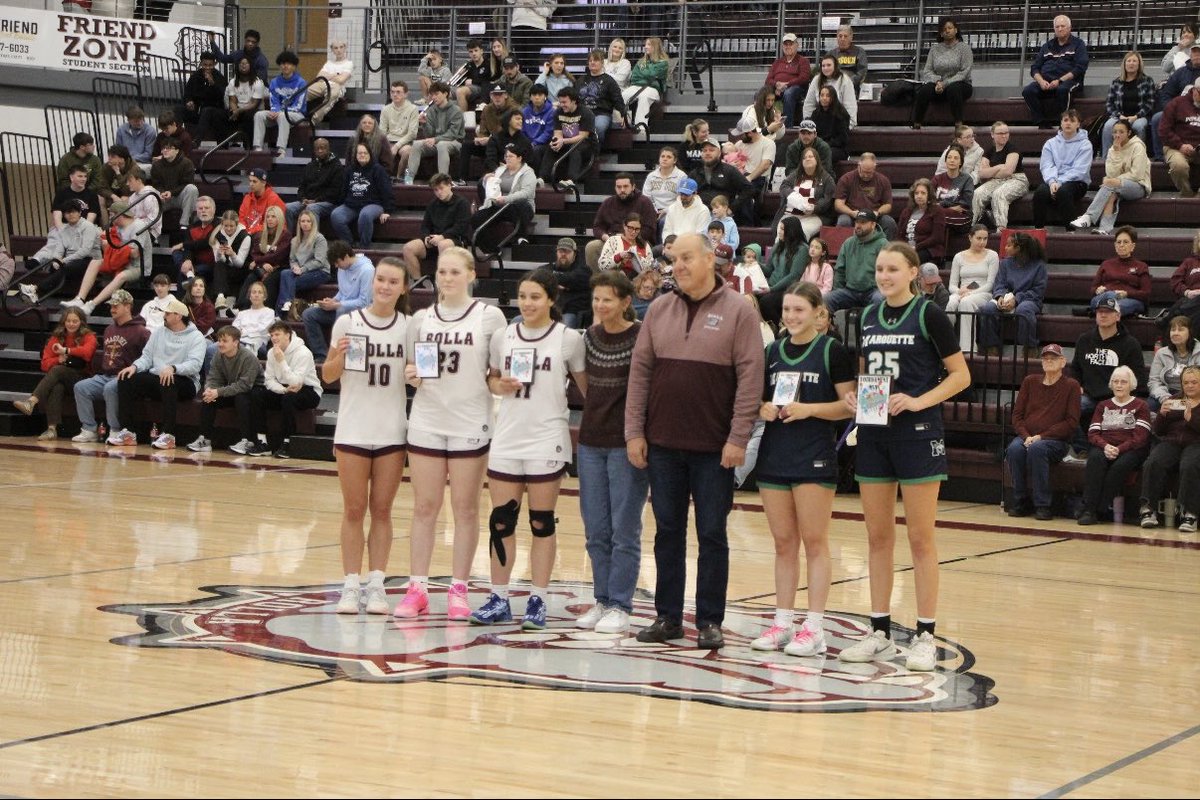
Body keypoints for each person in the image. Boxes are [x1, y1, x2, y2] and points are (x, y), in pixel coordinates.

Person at [626, 233, 764, 649]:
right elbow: (640, 374)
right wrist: (634, 431)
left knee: (712, 534)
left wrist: (739, 437)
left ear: (710, 260)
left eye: (686, 258)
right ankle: (668, 617)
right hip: (663, 444)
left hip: (715, 448)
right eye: (674, 258)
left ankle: (709, 620)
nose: (678, 265)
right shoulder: (659, 309)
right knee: (667, 532)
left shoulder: (740, 312)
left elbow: (750, 381)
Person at [839, 241, 971, 671]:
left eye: (892, 269)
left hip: (917, 434)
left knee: (920, 538)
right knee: (877, 538)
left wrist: (917, 401)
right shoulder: (869, 315)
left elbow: (961, 376)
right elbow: (868, 370)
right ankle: (879, 630)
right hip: (876, 432)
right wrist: (860, 396)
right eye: (879, 269)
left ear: (913, 272)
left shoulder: (929, 314)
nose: (883, 276)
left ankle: (925, 635)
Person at [470, 269, 587, 629]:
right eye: (523, 296)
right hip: (507, 437)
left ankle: (538, 598)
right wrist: (496, 384)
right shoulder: (503, 335)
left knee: (541, 522)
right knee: (501, 521)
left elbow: (588, 391)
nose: (528, 303)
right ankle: (499, 598)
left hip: (547, 438)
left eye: (535, 296)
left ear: (551, 299)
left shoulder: (568, 339)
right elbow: (490, 377)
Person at [396, 247, 507, 620]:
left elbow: (495, 374)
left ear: (471, 274)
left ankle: (459, 589)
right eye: (442, 272)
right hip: (427, 419)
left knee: (465, 510)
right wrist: (410, 376)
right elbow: (412, 369)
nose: (447, 278)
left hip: (470, 422)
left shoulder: (490, 317)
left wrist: (501, 384)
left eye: (454, 272)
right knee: (425, 508)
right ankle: (417, 588)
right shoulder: (421, 319)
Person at [749, 281, 855, 654]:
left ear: (817, 313)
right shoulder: (772, 352)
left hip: (814, 455)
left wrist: (810, 409)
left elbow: (849, 406)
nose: (792, 316)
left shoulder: (833, 352)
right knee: (782, 543)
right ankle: (781, 622)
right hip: (775, 453)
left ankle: (814, 626)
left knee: (814, 542)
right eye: (787, 310)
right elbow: (760, 399)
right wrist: (762, 408)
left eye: (799, 310)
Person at [322, 256, 412, 615]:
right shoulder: (347, 322)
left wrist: (416, 374)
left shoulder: (408, 326)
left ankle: (377, 584)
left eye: (393, 282)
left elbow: (418, 371)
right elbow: (328, 376)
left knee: (383, 510)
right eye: (381, 280)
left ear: (403, 288)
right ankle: (349, 585)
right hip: (353, 427)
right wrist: (340, 357)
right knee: (354, 509)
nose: (386, 287)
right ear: (372, 283)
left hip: (392, 428)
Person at [565, 270, 649, 634]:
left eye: (608, 299)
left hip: (627, 444)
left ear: (626, 302)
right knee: (596, 529)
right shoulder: (589, 337)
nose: (600, 306)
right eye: (596, 299)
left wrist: (638, 434)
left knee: (624, 530)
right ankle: (601, 600)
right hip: (590, 443)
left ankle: (621, 604)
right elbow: (586, 387)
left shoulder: (642, 336)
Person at [110, 297, 206, 450]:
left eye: (167, 314)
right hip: (159, 377)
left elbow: (194, 365)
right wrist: (134, 367)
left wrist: (174, 368)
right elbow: (147, 357)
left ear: (178, 316)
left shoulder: (196, 337)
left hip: (185, 382)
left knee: (169, 380)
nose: (164, 316)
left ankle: (169, 435)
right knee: (126, 379)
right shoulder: (159, 332)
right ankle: (128, 432)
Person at [1005, 343, 1081, 520]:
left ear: (1063, 362)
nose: (1048, 361)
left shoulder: (1071, 386)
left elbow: (1071, 422)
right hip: (1027, 437)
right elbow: (1017, 415)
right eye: (1045, 358)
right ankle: (1021, 500)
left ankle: (1043, 504)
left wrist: (1041, 437)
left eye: (1053, 358)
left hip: (1056, 441)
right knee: (1014, 449)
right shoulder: (1030, 381)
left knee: (1037, 449)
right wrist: (1026, 436)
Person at [70, 290, 149, 443]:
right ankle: (89, 429)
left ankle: (115, 430)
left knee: (110, 389)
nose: (112, 309)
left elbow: (148, 358)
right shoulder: (109, 329)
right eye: (111, 306)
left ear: (127, 307)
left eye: (116, 306)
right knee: (81, 387)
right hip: (105, 375)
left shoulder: (142, 332)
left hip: (126, 378)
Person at [1072, 296, 1150, 450]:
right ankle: (1081, 448)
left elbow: (1138, 378)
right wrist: (1077, 385)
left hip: (1117, 397)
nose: (1103, 315)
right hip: (1089, 395)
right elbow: (1075, 368)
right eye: (1100, 311)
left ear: (1118, 316)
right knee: (1071, 404)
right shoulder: (1084, 340)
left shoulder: (1130, 344)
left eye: (1108, 312)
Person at [1078, 366, 1151, 525]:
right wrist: (1105, 446)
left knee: (1120, 466)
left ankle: (1099, 509)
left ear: (1131, 385)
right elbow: (1093, 433)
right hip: (1105, 446)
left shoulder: (1141, 406)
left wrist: (1119, 449)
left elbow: (1140, 438)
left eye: (1123, 382)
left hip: (1131, 449)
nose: (1119, 385)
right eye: (1116, 381)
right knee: (1095, 459)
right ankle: (1089, 509)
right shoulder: (1102, 405)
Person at [12, 306, 97, 441]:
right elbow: (44, 364)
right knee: (57, 386)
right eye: (68, 321)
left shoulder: (89, 336)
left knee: (57, 370)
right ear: (64, 322)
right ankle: (52, 429)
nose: (71, 324)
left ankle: (32, 401)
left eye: (75, 321)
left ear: (81, 322)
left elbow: (87, 353)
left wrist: (66, 351)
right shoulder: (57, 337)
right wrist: (58, 359)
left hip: (82, 379)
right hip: (62, 377)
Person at [60, 200, 152, 316]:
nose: (109, 218)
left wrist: (110, 246)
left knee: (121, 276)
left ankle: (91, 305)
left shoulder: (138, 226)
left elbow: (134, 254)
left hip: (137, 266)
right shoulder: (117, 227)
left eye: (111, 215)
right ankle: (80, 299)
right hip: (119, 261)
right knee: (95, 261)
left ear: (119, 214)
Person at [1138, 366, 1200, 532]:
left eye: (1194, 382)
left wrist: (1191, 419)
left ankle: (1190, 513)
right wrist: (1162, 415)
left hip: (1196, 443)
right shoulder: (1174, 400)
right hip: (1172, 442)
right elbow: (1158, 430)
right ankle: (1148, 509)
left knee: (1189, 465)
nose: (1190, 385)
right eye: (1186, 382)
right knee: (1153, 462)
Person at [247, 321, 322, 460]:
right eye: (272, 335)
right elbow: (268, 381)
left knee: (290, 398)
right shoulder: (271, 352)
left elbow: (296, 382)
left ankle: (287, 442)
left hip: (308, 390)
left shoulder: (303, 353)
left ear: (288, 335)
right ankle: (262, 442)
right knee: (256, 394)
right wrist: (282, 390)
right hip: (284, 389)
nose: (274, 338)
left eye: (277, 334)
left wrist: (281, 361)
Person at [186, 325, 262, 455]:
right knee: (209, 399)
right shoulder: (218, 355)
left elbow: (244, 385)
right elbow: (213, 377)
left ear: (236, 342)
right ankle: (204, 439)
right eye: (219, 340)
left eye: (224, 341)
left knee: (241, 398)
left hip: (254, 392)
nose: (220, 344)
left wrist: (218, 392)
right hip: (232, 388)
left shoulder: (248, 357)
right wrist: (209, 390)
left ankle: (247, 441)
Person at [1070, 120, 1150, 235]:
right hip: (1117, 186)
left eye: (1121, 132)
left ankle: (1089, 217)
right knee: (1111, 194)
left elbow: (1137, 174)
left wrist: (1117, 180)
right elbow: (1111, 173)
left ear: (1129, 133)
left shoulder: (1138, 146)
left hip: (1139, 186)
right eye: (1115, 132)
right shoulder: (1113, 149)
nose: (1117, 135)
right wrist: (1117, 153)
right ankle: (1104, 229)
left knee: (1110, 184)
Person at [976, 232, 1047, 357]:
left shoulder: (1038, 265)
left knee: (1024, 309)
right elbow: (1000, 284)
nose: (1005, 248)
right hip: (1006, 298)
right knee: (988, 309)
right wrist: (1000, 296)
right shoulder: (1005, 263)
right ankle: (991, 348)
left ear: (1018, 248)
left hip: (1029, 300)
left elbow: (1038, 291)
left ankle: (1029, 348)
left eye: (1009, 245)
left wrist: (1017, 299)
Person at [302, 241, 374, 362]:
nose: (336, 266)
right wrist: (333, 300)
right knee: (309, 314)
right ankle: (322, 354)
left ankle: (339, 354)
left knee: (342, 310)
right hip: (340, 308)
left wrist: (338, 304)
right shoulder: (342, 268)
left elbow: (364, 302)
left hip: (359, 314)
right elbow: (342, 292)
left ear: (346, 257)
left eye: (337, 262)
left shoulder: (367, 270)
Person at [19, 199, 100, 304]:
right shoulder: (64, 229)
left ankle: (35, 289)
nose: (71, 214)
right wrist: (56, 260)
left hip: (90, 260)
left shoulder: (88, 226)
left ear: (80, 212)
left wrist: (64, 260)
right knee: (54, 266)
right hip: (71, 259)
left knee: (68, 266)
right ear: (64, 215)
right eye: (67, 212)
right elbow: (59, 248)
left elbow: (85, 250)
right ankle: (38, 297)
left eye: (74, 211)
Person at [401, 173, 470, 282]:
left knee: (443, 244)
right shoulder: (432, 205)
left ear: (449, 185)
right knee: (408, 248)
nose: (439, 192)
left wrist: (442, 236)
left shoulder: (462, 203)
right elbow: (425, 226)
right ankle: (418, 283)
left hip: (455, 240)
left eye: (441, 188)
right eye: (436, 190)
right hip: (434, 240)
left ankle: (443, 283)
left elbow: (461, 227)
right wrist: (426, 238)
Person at [470, 142, 537, 253]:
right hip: (499, 205)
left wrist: (506, 199)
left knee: (521, 204)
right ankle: (492, 250)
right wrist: (486, 181)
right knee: (476, 218)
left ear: (519, 158)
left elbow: (526, 193)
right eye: (506, 156)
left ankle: (522, 238)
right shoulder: (500, 170)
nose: (507, 159)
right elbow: (492, 189)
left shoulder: (528, 172)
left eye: (511, 156)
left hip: (518, 206)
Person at [1023, 15, 1089, 127]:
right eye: (1057, 26)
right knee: (1028, 91)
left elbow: (1080, 67)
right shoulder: (1046, 46)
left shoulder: (1078, 44)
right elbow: (1035, 68)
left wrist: (1059, 80)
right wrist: (1041, 81)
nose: (1060, 29)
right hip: (1046, 81)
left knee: (1063, 90)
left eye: (1063, 26)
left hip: (1069, 81)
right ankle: (1041, 121)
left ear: (1069, 28)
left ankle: (1062, 122)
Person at [1033, 109, 1092, 230]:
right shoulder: (1050, 143)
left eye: (1072, 120)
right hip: (1053, 181)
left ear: (1078, 124)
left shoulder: (1085, 144)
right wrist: (1052, 181)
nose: (1068, 123)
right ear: (1061, 123)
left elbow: (1079, 171)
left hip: (1077, 182)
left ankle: (1071, 232)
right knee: (1040, 193)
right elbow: (1047, 165)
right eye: (1065, 120)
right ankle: (1038, 230)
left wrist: (1059, 182)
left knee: (1063, 192)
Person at [585, 173, 660, 269]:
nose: (622, 190)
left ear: (633, 187)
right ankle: (599, 281)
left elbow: (649, 229)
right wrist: (606, 238)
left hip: (638, 241)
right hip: (611, 240)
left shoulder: (645, 202)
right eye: (619, 187)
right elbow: (597, 226)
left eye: (625, 186)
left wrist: (626, 238)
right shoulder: (608, 203)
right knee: (592, 247)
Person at [946, 224, 999, 353]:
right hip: (962, 291)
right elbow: (952, 285)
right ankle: (947, 344)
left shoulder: (992, 255)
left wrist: (970, 293)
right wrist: (959, 291)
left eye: (985, 239)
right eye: (979, 238)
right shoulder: (958, 257)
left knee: (966, 302)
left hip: (983, 292)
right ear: (970, 237)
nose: (982, 242)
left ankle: (968, 349)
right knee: (950, 302)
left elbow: (990, 284)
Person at [913, 18, 974, 128]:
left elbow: (964, 72)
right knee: (924, 90)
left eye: (950, 28)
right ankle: (917, 123)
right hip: (939, 85)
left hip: (961, 85)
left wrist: (945, 83)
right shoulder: (934, 49)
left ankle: (959, 123)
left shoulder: (964, 48)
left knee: (953, 89)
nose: (947, 31)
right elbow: (927, 71)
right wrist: (937, 82)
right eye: (944, 29)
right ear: (941, 33)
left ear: (956, 30)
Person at [825, 210, 888, 315]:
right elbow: (840, 270)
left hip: (873, 291)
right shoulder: (848, 243)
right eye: (857, 222)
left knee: (879, 299)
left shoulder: (883, 244)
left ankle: (874, 330)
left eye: (863, 222)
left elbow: (888, 272)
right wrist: (837, 290)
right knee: (827, 299)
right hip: (850, 291)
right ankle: (831, 329)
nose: (858, 225)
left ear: (873, 225)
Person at [332, 144, 394, 248]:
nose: (362, 155)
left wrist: (388, 210)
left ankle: (363, 247)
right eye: (360, 153)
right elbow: (344, 190)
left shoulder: (377, 169)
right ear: (355, 155)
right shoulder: (349, 170)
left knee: (365, 215)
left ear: (370, 154)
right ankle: (349, 245)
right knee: (336, 215)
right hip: (351, 205)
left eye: (365, 153)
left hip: (373, 204)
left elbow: (386, 191)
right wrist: (339, 204)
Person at [403, 81, 465, 186]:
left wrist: (435, 139)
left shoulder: (456, 110)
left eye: (437, 94)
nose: (434, 97)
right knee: (417, 144)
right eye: (432, 95)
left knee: (442, 145)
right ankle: (409, 177)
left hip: (454, 142)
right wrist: (424, 124)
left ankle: (443, 179)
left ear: (445, 94)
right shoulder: (431, 111)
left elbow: (453, 133)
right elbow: (429, 135)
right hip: (437, 141)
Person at [458, 84, 520, 185]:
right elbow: (482, 129)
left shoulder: (514, 110)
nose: (497, 97)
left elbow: (511, 132)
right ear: (490, 96)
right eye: (495, 95)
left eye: (500, 95)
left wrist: (490, 139)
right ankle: (462, 179)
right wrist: (480, 139)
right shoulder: (487, 109)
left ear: (505, 95)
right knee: (466, 146)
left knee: (492, 147)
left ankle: (495, 177)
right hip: (490, 143)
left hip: (507, 144)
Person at [972, 122, 1028, 230]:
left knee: (999, 194)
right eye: (1000, 133)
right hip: (997, 181)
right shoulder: (989, 151)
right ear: (992, 134)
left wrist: (991, 171)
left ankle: (1001, 229)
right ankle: (973, 227)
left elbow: (1008, 171)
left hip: (1017, 179)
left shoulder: (1012, 149)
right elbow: (982, 173)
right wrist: (998, 167)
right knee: (977, 193)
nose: (1004, 135)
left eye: (1006, 133)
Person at [773, 145, 836, 239]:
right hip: (791, 214)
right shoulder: (796, 174)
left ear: (817, 160)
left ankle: (799, 252)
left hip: (814, 216)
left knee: (801, 231)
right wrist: (792, 195)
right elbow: (784, 186)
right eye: (804, 157)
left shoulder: (827, 178)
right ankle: (779, 252)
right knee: (781, 232)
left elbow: (828, 199)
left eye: (811, 157)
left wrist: (814, 208)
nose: (807, 159)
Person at [1100, 52, 1155, 158]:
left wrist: (1136, 116)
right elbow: (1109, 104)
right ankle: (1106, 159)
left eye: (1134, 61)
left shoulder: (1147, 81)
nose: (1131, 63)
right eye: (1129, 61)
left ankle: (1139, 157)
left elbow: (1150, 103)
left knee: (1139, 126)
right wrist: (1119, 116)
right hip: (1119, 116)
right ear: (1124, 64)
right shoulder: (1116, 82)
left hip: (1139, 116)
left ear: (1139, 64)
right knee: (1108, 126)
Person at [1085, 227, 1150, 317]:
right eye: (1119, 242)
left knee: (1115, 306)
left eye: (1125, 242)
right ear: (1115, 245)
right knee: (1098, 301)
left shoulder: (1141, 266)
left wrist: (1126, 294)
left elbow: (1145, 293)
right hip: (1106, 297)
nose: (1121, 245)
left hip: (1129, 299)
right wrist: (1097, 290)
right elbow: (1093, 289)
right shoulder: (1106, 264)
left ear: (1133, 246)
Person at [253, 50, 307, 157]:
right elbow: (274, 101)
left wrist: (280, 112)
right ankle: (257, 148)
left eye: (289, 63)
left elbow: (299, 105)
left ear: (294, 66)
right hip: (279, 113)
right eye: (282, 63)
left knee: (283, 116)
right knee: (259, 115)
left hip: (297, 115)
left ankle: (281, 149)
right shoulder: (274, 82)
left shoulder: (301, 82)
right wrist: (275, 111)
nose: (285, 66)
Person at [690, 139, 755, 227]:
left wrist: (732, 208)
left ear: (719, 153)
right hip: (699, 214)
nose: (707, 153)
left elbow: (749, 189)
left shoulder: (729, 170)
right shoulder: (695, 173)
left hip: (722, 215)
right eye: (704, 150)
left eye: (711, 150)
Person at [284, 137, 344, 231]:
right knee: (287, 208)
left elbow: (334, 192)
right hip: (308, 201)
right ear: (314, 150)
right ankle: (287, 238)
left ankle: (312, 240)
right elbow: (302, 186)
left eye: (322, 148)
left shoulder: (337, 167)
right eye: (317, 148)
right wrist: (302, 198)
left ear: (328, 149)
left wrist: (316, 200)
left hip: (328, 202)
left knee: (311, 208)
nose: (320, 150)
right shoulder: (310, 166)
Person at [277, 209, 330, 315]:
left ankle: (282, 311)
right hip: (301, 271)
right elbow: (292, 259)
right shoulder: (295, 240)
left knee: (289, 283)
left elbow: (320, 261)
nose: (305, 224)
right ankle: (286, 305)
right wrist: (295, 267)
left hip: (320, 272)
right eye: (303, 221)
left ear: (313, 223)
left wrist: (302, 269)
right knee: (284, 273)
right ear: (299, 223)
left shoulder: (319, 238)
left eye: (308, 221)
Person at [1152, 47, 1200, 161]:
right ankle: (1159, 157)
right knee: (1157, 118)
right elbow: (1166, 94)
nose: (1197, 55)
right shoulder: (1180, 73)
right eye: (1194, 52)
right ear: (1190, 55)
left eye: (1199, 52)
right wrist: (1172, 109)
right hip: (1178, 109)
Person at [833, 153, 897, 239]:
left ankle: (886, 250)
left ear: (875, 168)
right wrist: (851, 213)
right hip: (853, 215)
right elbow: (838, 204)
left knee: (889, 222)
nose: (866, 175)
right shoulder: (846, 179)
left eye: (869, 173)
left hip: (874, 215)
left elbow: (888, 205)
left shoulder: (883, 180)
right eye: (863, 172)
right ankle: (843, 250)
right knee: (843, 221)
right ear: (858, 166)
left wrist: (878, 213)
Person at [238, 206, 291, 309]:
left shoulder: (286, 235)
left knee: (269, 281)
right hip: (263, 267)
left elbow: (278, 255)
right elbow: (255, 253)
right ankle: (241, 307)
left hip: (280, 267)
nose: (270, 219)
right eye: (268, 217)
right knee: (251, 277)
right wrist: (263, 264)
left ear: (279, 218)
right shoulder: (260, 234)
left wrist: (258, 261)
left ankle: (267, 309)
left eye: (273, 216)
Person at [725, 119, 776, 225]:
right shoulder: (740, 144)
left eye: (741, 134)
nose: (739, 137)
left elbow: (765, 165)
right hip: (739, 175)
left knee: (746, 192)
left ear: (749, 133)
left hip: (758, 178)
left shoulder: (768, 143)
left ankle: (748, 227)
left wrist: (750, 177)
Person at [758, 217, 808, 323]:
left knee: (766, 302)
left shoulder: (802, 249)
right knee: (750, 297)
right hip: (771, 286)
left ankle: (781, 328)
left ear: (791, 231)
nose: (779, 231)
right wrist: (756, 263)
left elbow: (793, 276)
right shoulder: (778, 246)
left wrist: (772, 289)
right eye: (779, 228)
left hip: (787, 290)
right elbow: (768, 270)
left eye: (782, 229)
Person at [543, 87, 594, 189]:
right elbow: (557, 132)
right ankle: (542, 177)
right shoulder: (558, 112)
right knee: (551, 146)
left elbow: (583, 136)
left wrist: (563, 141)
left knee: (575, 149)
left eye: (564, 102)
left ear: (573, 101)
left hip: (586, 143)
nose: (562, 105)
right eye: (560, 102)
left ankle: (571, 180)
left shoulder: (586, 113)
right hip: (566, 141)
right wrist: (557, 141)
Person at [148, 137, 197, 240]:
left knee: (192, 189)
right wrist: (161, 192)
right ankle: (153, 234)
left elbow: (187, 183)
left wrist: (171, 192)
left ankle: (184, 224)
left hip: (180, 197)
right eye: (163, 148)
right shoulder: (157, 165)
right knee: (149, 195)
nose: (165, 150)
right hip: (164, 198)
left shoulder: (187, 163)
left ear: (177, 150)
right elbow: (156, 184)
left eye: (169, 148)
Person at [1149, 317, 1200, 413]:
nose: (1175, 333)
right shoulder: (1161, 353)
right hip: (1167, 393)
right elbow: (1154, 381)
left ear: (1190, 333)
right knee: (1150, 406)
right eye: (1173, 330)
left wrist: (1189, 399)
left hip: (1194, 393)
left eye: (1180, 330)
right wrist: (1166, 398)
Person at [1160, 78, 1200, 197]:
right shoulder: (1177, 103)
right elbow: (1164, 130)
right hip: (1176, 146)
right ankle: (1187, 194)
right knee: (1179, 166)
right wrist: (1180, 145)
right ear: (1194, 90)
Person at [214, 56, 266, 148]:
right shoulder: (233, 82)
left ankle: (248, 147)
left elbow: (254, 104)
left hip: (252, 110)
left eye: (246, 63)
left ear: (251, 66)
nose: (243, 65)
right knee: (218, 114)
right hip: (238, 111)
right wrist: (234, 110)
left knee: (249, 115)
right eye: (241, 64)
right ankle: (222, 147)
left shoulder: (258, 82)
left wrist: (239, 111)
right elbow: (232, 100)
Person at [764, 33, 811, 128]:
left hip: (796, 90)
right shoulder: (777, 62)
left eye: (791, 44)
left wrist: (787, 84)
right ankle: (762, 125)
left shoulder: (803, 61)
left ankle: (787, 128)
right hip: (777, 89)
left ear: (797, 45)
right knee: (760, 93)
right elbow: (768, 80)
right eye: (786, 44)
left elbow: (804, 78)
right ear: (782, 46)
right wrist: (777, 84)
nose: (788, 47)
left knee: (789, 93)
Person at [625, 37, 670, 134]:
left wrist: (644, 73)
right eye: (645, 45)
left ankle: (641, 128)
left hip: (653, 88)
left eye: (648, 45)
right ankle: (624, 124)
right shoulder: (641, 61)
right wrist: (646, 74)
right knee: (623, 95)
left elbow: (652, 75)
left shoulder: (663, 63)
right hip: (636, 86)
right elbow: (634, 77)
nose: (645, 47)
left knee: (644, 97)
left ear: (655, 47)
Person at [898, 178, 947, 265]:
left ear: (929, 195)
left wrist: (916, 247)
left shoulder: (937, 211)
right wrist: (904, 247)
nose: (919, 196)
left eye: (923, 193)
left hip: (927, 250)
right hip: (907, 249)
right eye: (916, 193)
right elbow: (900, 234)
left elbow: (937, 238)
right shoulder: (907, 211)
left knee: (907, 261)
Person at [180, 51, 227, 141]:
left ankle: (196, 141)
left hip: (213, 111)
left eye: (210, 65)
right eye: (205, 65)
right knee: (179, 109)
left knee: (206, 111)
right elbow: (187, 93)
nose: (208, 68)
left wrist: (212, 83)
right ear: (201, 63)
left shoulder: (219, 77)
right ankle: (175, 141)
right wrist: (189, 102)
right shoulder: (195, 76)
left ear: (214, 64)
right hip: (197, 109)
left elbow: (223, 95)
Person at [803, 55, 858, 130]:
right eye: (823, 66)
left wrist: (849, 125)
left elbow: (850, 105)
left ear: (835, 66)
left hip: (838, 121)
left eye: (829, 65)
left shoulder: (845, 80)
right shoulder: (816, 80)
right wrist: (808, 123)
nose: (825, 68)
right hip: (820, 121)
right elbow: (809, 104)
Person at [210, 210, 252, 307]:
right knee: (219, 265)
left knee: (231, 270)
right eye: (226, 226)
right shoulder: (217, 235)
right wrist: (220, 254)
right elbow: (219, 261)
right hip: (225, 268)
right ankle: (220, 297)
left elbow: (240, 263)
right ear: (222, 224)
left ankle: (231, 301)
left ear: (237, 224)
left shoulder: (245, 237)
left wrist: (232, 254)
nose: (228, 229)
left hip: (241, 269)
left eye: (231, 226)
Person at [173, 195, 217, 287]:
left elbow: (207, 242)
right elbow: (188, 248)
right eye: (200, 208)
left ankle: (189, 276)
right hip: (194, 262)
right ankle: (189, 274)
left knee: (182, 272)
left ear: (213, 210)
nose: (203, 211)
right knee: (176, 253)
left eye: (206, 208)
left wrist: (184, 244)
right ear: (197, 211)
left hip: (210, 265)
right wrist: (187, 260)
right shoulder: (192, 227)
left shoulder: (219, 225)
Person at [306, 40, 354, 124]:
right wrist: (336, 74)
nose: (338, 50)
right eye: (336, 48)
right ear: (332, 50)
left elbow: (341, 80)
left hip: (336, 86)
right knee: (304, 91)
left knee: (333, 94)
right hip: (322, 84)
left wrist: (328, 75)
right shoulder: (329, 63)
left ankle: (314, 120)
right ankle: (295, 112)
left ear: (345, 48)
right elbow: (319, 77)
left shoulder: (349, 63)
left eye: (341, 47)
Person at [380, 81, 419, 180]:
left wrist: (397, 146)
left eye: (398, 92)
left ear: (406, 94)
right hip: (389, 141)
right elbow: (382, 131)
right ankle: (382, 178)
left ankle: (401, 178)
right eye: (392, 92)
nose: (395, 94)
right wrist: (387, 145)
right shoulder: (385, 109)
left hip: (405, 142)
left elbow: (412, 134)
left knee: (407, 152)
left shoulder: (413, 109)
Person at [932, 143, 975, 231]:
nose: (952, 160)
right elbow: (929, 200)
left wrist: (939, 205)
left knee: (933, 216)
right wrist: (948, 207)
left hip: (961, 215)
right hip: (941, 212)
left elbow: (964, 204)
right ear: (945, 161)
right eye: (949, 157)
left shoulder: (967, 179)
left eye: (956, 158)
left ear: (960, 162)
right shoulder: (938, 178)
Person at [643, 146, 686, 228]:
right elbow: (646, 197)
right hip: (653, 210)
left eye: (668, 157)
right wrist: (654, 210)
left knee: (663, 222)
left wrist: (666, 210)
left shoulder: (681, 176)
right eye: (662, 156)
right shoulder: (651, 176)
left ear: (675, 160)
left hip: (673, 211)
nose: (665, 159)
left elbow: (681, 199)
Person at [509, 0, 556, 76]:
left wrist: (534, 6)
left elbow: (549, 10)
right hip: (517, 24)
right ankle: (520, 85)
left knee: (532, 60)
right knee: (520, 60)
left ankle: (533, 85)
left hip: (536, 26)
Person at [455, 39, 501, 112]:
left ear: (481, 51)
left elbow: (488, 80)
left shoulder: (488, 64)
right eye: (471, 51)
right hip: (469, 89)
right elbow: (462, 82)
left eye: (476, 50)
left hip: (482, 88)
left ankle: (463, 120)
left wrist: (473, 81)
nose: (474, 54)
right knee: (445, 92)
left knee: (460, 92)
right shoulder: (469, 65)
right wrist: (460, 75)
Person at [238, 168, 287, 236]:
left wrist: (250, 232)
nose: (251, 184)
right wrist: (244, 232)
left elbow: (272, 224)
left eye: (254, 181)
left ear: (263, 183)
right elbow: (241, 218)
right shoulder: (247, 198)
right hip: (249, 233)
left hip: (269, 234)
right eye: (250, 181)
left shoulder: (274, 199)